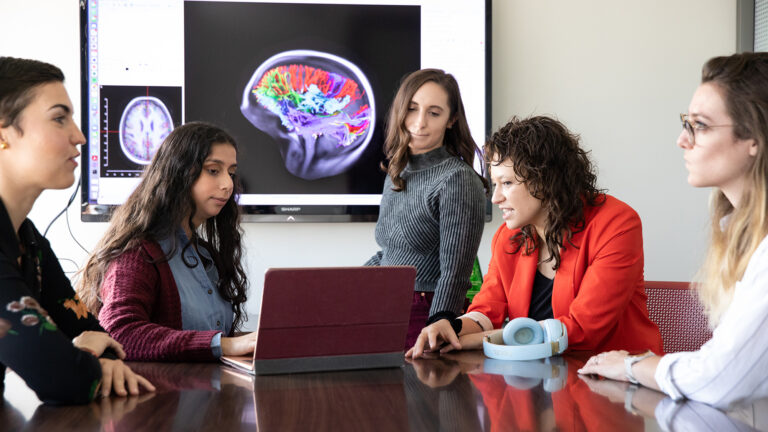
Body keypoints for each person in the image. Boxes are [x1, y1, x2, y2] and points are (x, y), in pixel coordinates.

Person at [579, 52, 768, 408]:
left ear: (754, 138)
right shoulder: (740, 235)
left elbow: (720, 378)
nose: (683, 140)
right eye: (687, 123)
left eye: (701, 125)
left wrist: (633, 365)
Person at [408, 115, 663, 358]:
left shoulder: (617, 224)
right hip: (541, 381)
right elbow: (487, 310)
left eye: (507, 183)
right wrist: (452, 328)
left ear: (544, 180)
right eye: (495, 184)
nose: (495, 198)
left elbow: (584, 330)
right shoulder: (506, 239)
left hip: (618, 382)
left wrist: (481, 339)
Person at [0, 56, 154, 404]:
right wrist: (85, 351)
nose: (80, 137)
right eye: (59, 118)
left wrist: (94, 353)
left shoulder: (29, 240)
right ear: (3, 133)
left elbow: (94, 333)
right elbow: (61, 379)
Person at [77, 122, 256, 361]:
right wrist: (225, 345)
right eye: (214, 170)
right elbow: (118, 332)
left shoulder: (205, 255)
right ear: (178, 172)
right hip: (162, 396)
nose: (228, 184)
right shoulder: (137, 253)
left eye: (231, 173)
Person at [365, 69, 487, 348]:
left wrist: (438, 324)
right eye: (412, 109)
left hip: (425, 311)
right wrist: (346, 288)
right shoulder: (397, 171)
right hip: (385, 303)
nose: (419, 122)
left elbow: (455, 271)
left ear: (451, 120)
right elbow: (390, 253)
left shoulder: (457, 178)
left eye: (434, 113)